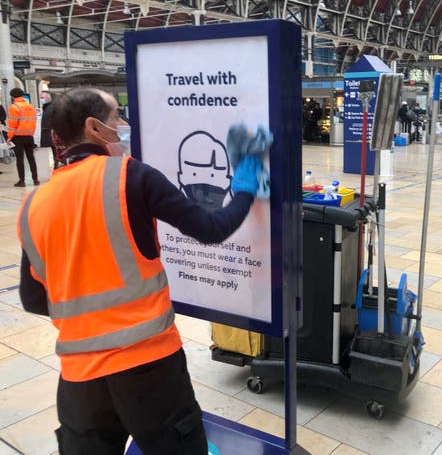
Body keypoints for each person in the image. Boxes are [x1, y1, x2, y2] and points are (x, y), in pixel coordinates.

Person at [16, 87, 263, 454]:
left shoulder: (34, 204)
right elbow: (211, 229)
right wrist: (245, 187)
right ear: (94, 127)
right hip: (149, 367)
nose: (123, 125)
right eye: (117, 117)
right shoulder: (131, 177)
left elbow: (33, 298)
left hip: (80, 380)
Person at [7, 87, 39, 186]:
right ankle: (35, 180)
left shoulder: (13, 107)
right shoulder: (30, 106)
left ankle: (22, 181)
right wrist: (31, 133)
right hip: (29, 136)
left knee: (20, 159)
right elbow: (34, 122)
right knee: (31, 158)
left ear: (12, 96)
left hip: (18, 137)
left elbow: (12, 124)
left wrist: (9, 137)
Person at [39, 91, 58, 167]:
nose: (41, 99)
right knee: (53, 150)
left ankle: (56, 165)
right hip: (48, 133)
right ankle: (55, 165)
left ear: (48, 98)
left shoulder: (51, 108)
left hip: (51, 133)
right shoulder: (47, 107)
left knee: (55, 150)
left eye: (42, 97)